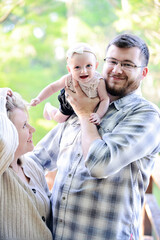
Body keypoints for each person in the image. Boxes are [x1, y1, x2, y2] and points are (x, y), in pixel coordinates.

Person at [28, 33, 160, 240]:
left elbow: (100, 164)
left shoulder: (147, 116)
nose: (116, 70)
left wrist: (83, 113)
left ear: (143, 72)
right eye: (113, 61)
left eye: (127, 64)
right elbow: (37, 159)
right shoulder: (85, 102)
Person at [0, 88, 53, 240]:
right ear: (7, 131)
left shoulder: (32, 166)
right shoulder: (2, 172)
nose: (32, 129)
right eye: (24, 126)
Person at [30, 42, 109, 125]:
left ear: (96, 66)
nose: (83, 71)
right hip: (70, 101)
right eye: (77, 67)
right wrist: (39, 98)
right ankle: (48, 108)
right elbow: (52, 88)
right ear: (69, 69)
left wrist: (98, 115)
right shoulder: (68, 79)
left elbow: (105, 99)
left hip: (89, 104)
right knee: (59, 119)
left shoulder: (98, 81)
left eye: (88, 65)